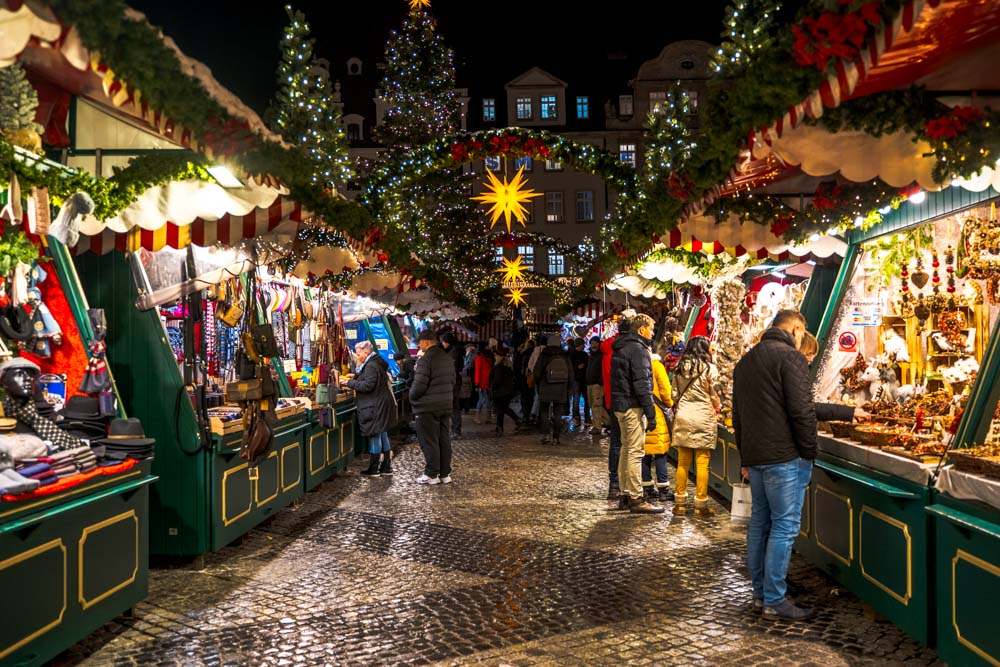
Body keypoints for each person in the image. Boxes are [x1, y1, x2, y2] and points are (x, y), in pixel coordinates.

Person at [733, 309, 816, 621]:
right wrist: (809, 452)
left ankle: (760, 594)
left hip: (757, 458)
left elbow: (738, 416)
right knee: (784, 526)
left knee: (760, 524)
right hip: (784, 458)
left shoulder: (746, 361)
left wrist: (745, 456)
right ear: (795, 329)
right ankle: (775, 599)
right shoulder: (789, 358)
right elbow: (801, 411)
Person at [610, 313, 664, 514]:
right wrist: (651, 413)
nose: (652, 332)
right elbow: (642, 384)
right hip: (632, 406)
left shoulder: (622, 346)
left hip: (620, 405)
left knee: (626, 449)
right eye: (651, 328)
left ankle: (625, 493)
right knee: (635, 451)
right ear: (641, 329)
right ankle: (636, 497)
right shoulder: (638, 350)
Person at [670, 336, 721, 517]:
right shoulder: (710, 369)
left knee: (683, 462)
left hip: (684, 415)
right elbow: (714, 394)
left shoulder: (679, 368)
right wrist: (717, 405)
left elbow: (674, 394)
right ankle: (701, 505)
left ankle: (680, 504)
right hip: (703, 417)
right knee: (702, 463)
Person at [409, 329, 457, 485]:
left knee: (429, 440)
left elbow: (419, 386)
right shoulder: (447, 358)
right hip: (445, 404)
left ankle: (431, 474)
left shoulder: (426, 359)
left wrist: (412, 396)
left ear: (427, 342)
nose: (418, 345)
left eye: (420, 342)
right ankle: (444, 474)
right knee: (444, 439)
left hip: (427, 407)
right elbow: (453, 381)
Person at [344, 341, 396, 477]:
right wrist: (356, 376)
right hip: (381, 403)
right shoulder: (375, 362)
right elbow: (369, 378)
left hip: (375, 405)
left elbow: (368, 385)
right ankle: (386, 467)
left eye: (359, 353)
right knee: (382, 433)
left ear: (366, 352)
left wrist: (348, 383)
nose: (358, 356)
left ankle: (374, 469)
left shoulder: (371, 365)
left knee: (375, 434)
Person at [641, 340, 674, 503]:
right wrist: (670, 404)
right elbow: (666, 391)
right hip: (657, 413)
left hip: (641, 412)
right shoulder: (656, 366)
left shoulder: (638, 364)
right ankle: (663, 489)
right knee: (660, 452)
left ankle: (647, 488)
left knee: (644, 452)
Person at [533, 334, 570, 445]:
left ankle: (545, 435)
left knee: (544, 412)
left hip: (546, 386)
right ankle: (556, 437)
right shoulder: (564, 355)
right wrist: (569, 387)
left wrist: (537, 383)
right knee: (558, 413)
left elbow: (537, 371)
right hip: (561, 388)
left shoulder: (545, 355)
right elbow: (570, 372)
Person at [601, 324, 623, 499]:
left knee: (616, 443)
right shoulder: (621, 352)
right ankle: (626, 486)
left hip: (612, 400)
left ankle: (614, 484)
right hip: (625, 402)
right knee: (628, 445)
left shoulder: (608, 351)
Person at [489, 349, 521, 435]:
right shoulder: (507, 366)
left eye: (495, 356)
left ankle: (500, 428)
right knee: (503, 409)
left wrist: (493, 388)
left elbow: (497, 380)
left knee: (500, 409)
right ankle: (513, 422)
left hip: (500, 392)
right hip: (507, 392)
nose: (494, 357)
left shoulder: (499, 367)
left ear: (499, 357)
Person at [439, 331, 464, 438]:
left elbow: (453, 369)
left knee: (454, 406)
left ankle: (456, 430)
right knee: (454, 406)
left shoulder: (454, 352)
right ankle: (455, 429)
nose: (443, 344)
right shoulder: (454, 351)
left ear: (447, 342)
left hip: (453, 382)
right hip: (454, 381)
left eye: (443, 342)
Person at [585, 336, 606, 435]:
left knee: (596, 405)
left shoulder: (601, 355)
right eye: (592, 343)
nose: (593, 345)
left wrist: (600, 381)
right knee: (593, 404)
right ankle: (607, 422)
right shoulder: (591, 355)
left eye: (595, 343)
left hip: (597, 384)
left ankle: (597, 426)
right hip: (590, 383)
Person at [569, 338, 589, 423]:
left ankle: (587, 416)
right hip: (576, 379)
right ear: (579, 345)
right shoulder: (572, 355)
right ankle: (576, 416)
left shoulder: (585, 354)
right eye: (583, 344)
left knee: (586, 399)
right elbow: (569, 368)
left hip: (584, 379)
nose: (584, 346)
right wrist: (577, 368)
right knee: (576, 399)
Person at [474, 344, 494, 423]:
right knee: (482, 399)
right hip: (483, 383)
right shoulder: (480, 358)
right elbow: (477, 371)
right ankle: (478, 417)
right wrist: (477, 382)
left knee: (487, 400)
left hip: (487, 382)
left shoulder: (484, 357)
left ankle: (487, 418)